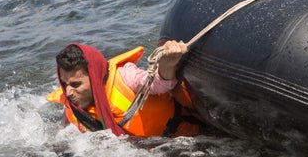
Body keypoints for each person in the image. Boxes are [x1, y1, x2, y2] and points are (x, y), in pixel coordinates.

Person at [45, 40, 201, 137]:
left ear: (93, 77)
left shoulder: (125, 77)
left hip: (186, 137)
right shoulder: (71, 107)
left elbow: (157, 83)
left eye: (76, 84)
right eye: (64, 83)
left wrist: (168, 63)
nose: (68, 92)